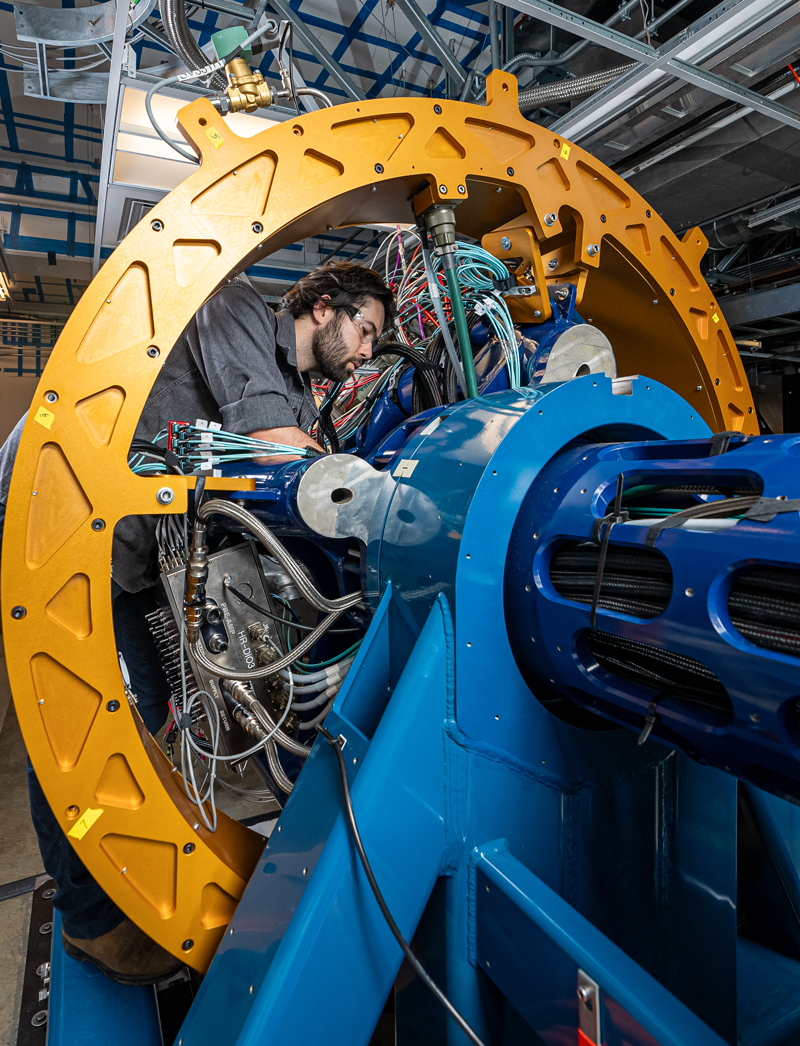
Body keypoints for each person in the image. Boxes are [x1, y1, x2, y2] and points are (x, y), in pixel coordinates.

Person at [7, 261, 394, 985]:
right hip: (53, 513)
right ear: (318, 304)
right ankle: (94, 921)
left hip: (128, 555)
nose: (368, 350)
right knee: (65, 711)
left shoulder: (304, 395)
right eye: (364, 328)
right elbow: (276, 444)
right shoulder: (236, 305)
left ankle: (149, 880)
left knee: (153, 708)